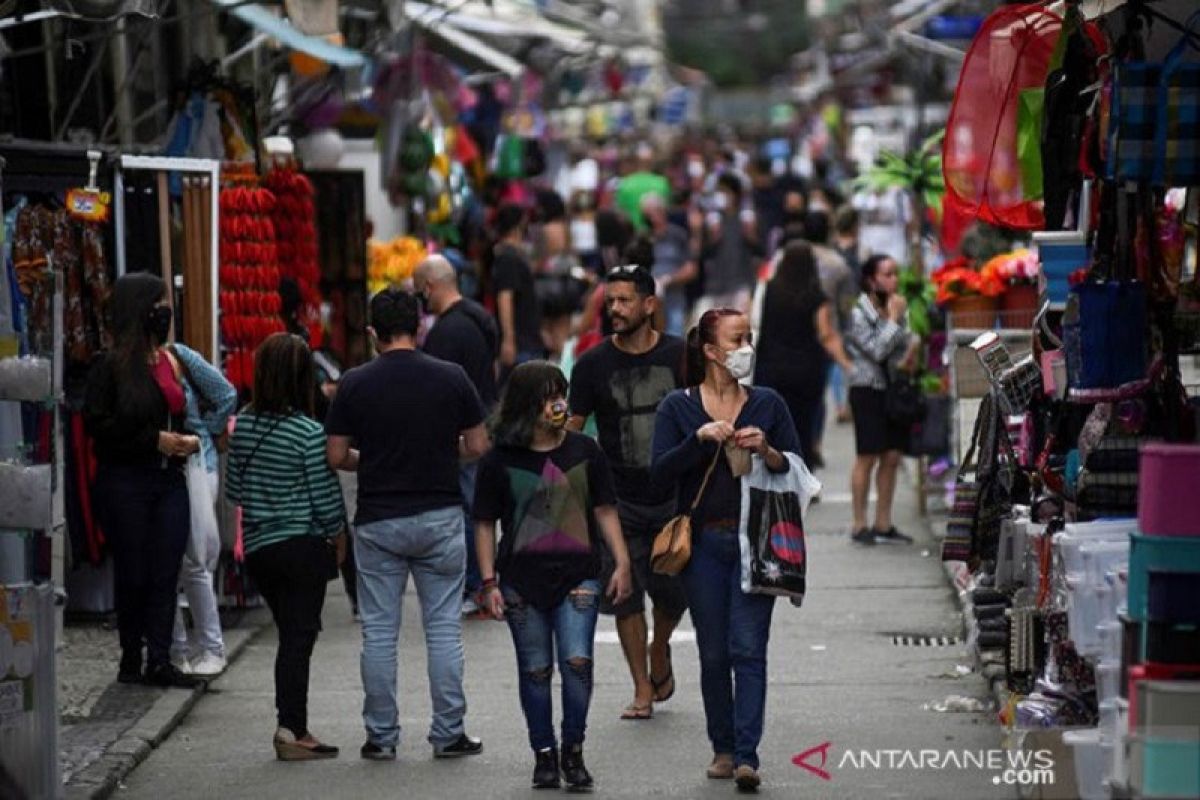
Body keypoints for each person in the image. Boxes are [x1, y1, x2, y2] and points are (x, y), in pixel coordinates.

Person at [325, 289, 490, 762]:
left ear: (372, 332)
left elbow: (336, 455)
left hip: (379, 519)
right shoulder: (450, 377)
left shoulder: (354, 383)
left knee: (379, 631)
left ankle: (381, 736)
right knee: (442, 629)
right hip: (439, 515)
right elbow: (478, 445)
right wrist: (439, 455)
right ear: (419, 327)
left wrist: (373, 460)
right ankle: (448, 732)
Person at [650, 308, 802, 791]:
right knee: (714, 653)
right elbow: (658, 474)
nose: (746, 349)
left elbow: (798, 471)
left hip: (756, 541)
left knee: (748, 649)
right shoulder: (678, 407)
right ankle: (722, 746)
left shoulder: (769, 404)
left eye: (749, 339)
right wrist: (698, 441)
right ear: (711, 351)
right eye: (737, 341)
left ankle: (746, 755)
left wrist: (769, 452)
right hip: (704, 545)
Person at [474, 361, 633, 791]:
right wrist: (488, 583)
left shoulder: (586, 450)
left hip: (580, 576)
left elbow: (604, 508)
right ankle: (543, 754)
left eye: (560, 392)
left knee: (578, 663)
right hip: (520, 582)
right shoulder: (499, 460)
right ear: (528, 405)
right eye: (548, 396)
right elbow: (485, 523)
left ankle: (574, 750)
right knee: (536, 670)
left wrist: (622, 562)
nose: (558, 404)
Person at [566, 265, 687, 722]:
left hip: (675, 496)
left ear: (649, 305)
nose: (614, 309)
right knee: (625, 594)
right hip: (617, 500)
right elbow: (574, 431)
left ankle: (661, 644)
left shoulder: (679, 356)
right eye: (609, 301)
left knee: (675, 593)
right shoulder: (592, 365)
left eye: (624, 301)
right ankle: (641, 686)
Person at [225, 333, 346, 760]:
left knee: (290, 635)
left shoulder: (243, 425)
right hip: (301, 546)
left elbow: (233, 491)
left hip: (260, 550)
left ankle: (291, 725)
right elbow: (325, 498)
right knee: (299, 637)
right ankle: (291, 729)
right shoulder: (309, 432)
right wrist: (339, 536)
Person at [84, 272, 200, 688]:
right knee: (134, 570)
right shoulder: (109, 367)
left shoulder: (169, 359)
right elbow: (99, 426)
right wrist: (155, 441)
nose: (165, 312)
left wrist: (187, 440)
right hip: (126, 482)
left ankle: (161, 657)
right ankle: (132, 653)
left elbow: (182, 409)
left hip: (170, 480)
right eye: (159, 304)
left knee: (165, 570)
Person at [414, 254, 500, 616]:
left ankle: (475, 584)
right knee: (479, 506)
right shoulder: (480, 318)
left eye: (421, 292)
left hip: (464, 435)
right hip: (484, 421)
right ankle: (483, 580)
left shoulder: (445, 333)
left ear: (431, 287)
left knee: (469, 508)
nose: (421, 300)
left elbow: (437, 390)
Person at [169, 338, 237, 678]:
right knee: (171, 564)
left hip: (198, 464)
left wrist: (206, 431)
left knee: (192, 561)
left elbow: (227, 394)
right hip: (166, 467)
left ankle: (210, 647)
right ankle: (176, 650)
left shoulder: (181, 355)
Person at [753, 242, 854, 467]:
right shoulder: (817, 297)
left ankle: (773, 473)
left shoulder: (769, 290)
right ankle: (801, 473)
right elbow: (826, 334)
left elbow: (755, 321)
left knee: (771, 425)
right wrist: (847, 364)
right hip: (805, 371)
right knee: (802, 427)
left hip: (770, 368)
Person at [845, 255, 917, 546]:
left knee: (892, 456)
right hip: (867, 388)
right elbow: (876, 350)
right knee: (868, 456)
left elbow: (907, 343)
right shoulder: (857, 314)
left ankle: (883, 522)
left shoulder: (898, 306)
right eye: (887, 274)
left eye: (895, 274)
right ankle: (859, 522)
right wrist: (894, 320)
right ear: (871, 280)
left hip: (894, 389)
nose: (893, 280)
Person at [696, 173, 760, 317]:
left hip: (741, 284)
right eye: (719, 191)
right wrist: (712, 238)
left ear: (735, 194)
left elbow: (760, 251)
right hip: (716, 285)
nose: (721, 195)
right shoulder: (712, 220)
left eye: (725, 191)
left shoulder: (748, 219)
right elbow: (702, 254)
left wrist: (751, 237)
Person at [492, 203, 543, 373]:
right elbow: (505, 298)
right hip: (521, 343)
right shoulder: (508, 258)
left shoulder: (510, 255)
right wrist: (509, 339)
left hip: (526, 338)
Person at [643, 194, 697, 338]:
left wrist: (668, 280)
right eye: (648, 215)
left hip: (674, 299)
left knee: (675, 339)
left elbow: (691, 268)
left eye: (655, 213)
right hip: (650, 302)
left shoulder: (678, 235)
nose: (652, 218)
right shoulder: (644, 238)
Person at [614, 143, 670, 231]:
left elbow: (620, 214)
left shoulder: (625, 184)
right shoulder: (662, 183)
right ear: (652, 162)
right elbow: (666, 210)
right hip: (656, 235)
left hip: (632, 236)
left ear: (636, 162)